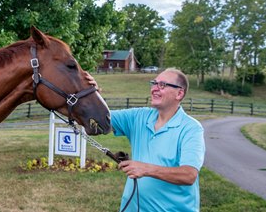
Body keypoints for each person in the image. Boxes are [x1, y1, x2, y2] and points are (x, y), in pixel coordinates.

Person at [87, 68, 205, 212]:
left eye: (162, 85)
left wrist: (146, 168)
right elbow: (100, 118)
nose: (154, 88)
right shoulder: (140, 116)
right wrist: (91, 94)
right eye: (154, 83)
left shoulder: (191, 128)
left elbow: (189, 175)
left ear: (179, 93)